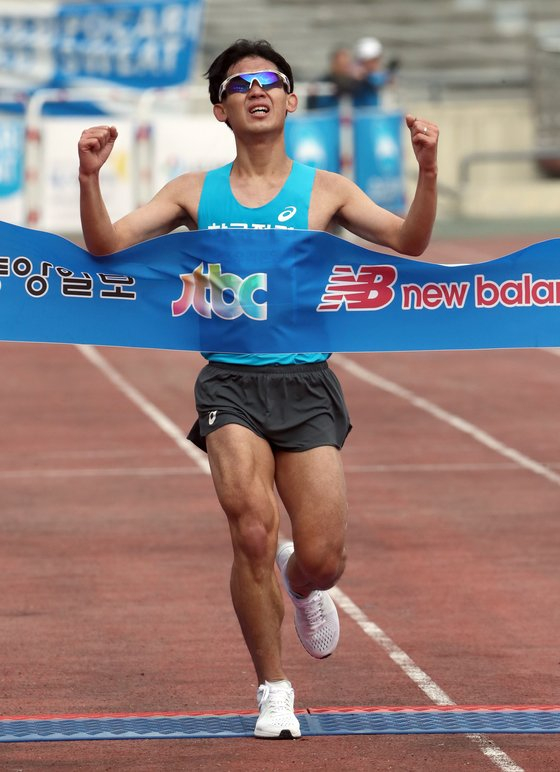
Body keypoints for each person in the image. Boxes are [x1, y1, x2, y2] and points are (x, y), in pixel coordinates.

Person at [78, 38, 438, 740]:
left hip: (307, 382)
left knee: (325, 556)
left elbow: (410, 242)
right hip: (230, 383)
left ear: (293, 100)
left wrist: (426, 171)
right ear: (222, 108)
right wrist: (91, 178)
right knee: (249, 530)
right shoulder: (192, 192)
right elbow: (106, 247)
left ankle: (300, 586)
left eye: (272, 80)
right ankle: (274, 690)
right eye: (241, 84)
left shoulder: (326, 189)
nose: (258, 90)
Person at [307, 46, 361, 111]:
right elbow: (311, 110)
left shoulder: (358, 84)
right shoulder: (321, 84)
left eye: (346, 65)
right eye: (340, 65)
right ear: (333, 64)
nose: (344, 69)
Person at [352, 36, 398, 109]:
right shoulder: (356, 72)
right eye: (374, 60)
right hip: (359, 114)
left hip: (373, 113)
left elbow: (382, 79)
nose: (376, 63)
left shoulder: (376, 74)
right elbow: (375, 80)